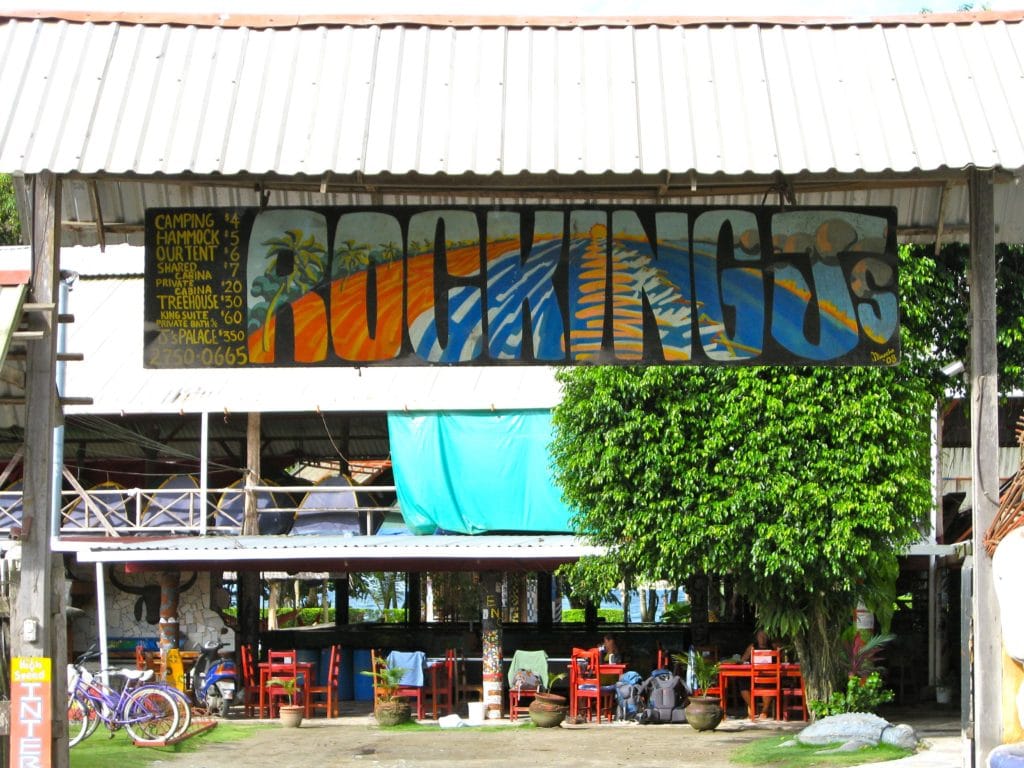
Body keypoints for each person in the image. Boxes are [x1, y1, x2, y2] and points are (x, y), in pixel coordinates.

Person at [740, 629, 776, 719]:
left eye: (765, 636)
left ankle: (765, 710)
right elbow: (742, 660)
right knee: (742, 682)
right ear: (757, 637)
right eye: (760, 636)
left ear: (768, 637)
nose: (762, 638)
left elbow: (782, 660)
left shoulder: (773, 647)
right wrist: (747, 656)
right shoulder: (752, 647)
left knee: (768, 683)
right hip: (753, 675)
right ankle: (752, 706)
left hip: (768, 675)